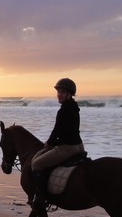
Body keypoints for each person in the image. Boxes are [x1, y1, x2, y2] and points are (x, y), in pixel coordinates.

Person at [31, 78, 84, 208]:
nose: (59, 94)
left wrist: (49, 143)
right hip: (79, 146)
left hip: (68, 148)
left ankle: (41, 198)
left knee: (37, 164)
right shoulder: (74, 107)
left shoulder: (64, 110)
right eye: (58, 91)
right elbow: (67, 130)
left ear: (69, 93)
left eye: (62, 92)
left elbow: (57, 131)